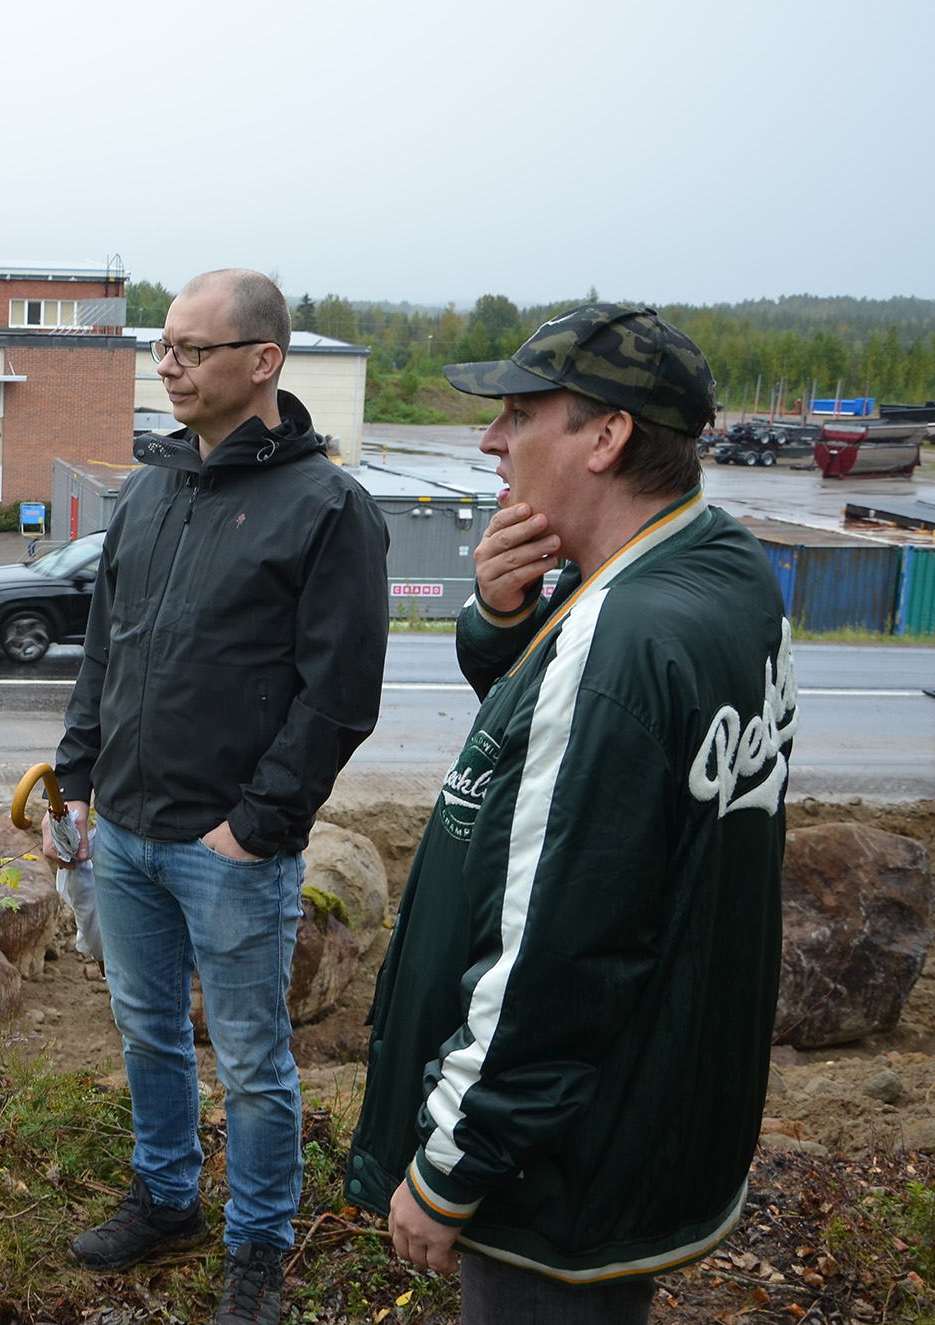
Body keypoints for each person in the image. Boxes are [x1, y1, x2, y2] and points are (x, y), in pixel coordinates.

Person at [346, 304, 797, 1323]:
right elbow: (595, 779)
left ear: (605, 436)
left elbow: (562, 942)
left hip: (557, 1163)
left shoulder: (620, 636)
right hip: (655, 1107)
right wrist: (505, 625)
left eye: (516, 414)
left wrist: (454, 1158)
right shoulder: (722, 571)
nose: (488, 442)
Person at [45, 269, 389, 1325]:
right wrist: (73, 772)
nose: (168, 363)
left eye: (193, 347)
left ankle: (256, 1248)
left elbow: (338, 694)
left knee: (249, 1059)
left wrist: (257, 828)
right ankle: (164, 1198)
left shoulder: (327, 508)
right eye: (164, 346)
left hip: (227, 845)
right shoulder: (149, 489)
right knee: (147, 1029)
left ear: (263, 360)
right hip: (128, 828)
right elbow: (109, 643)